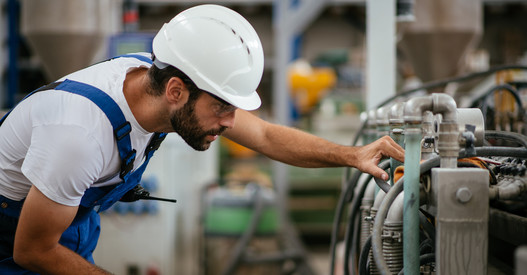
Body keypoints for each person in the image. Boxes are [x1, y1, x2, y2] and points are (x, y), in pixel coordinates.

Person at [0, 4, 404, 274]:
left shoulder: (156, 81)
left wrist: (352, 155)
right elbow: (32, 250)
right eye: (223, 108)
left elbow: (263, 134)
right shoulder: (81, 137)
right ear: (176, 91)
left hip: (68, 226)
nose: (232, 122)